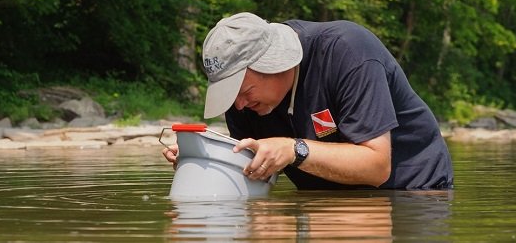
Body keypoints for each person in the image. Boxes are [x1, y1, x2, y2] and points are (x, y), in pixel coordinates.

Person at [162, 12, 453, 190]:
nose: (237, 105)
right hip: (326, 201)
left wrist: (294, 150)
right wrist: (205, 160)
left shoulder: (348, 52)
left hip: (413, 192)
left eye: (243, 90)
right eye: (228, 95)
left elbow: (376, 166)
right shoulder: (244, 104)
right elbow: (256, 171)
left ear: (273, 64)